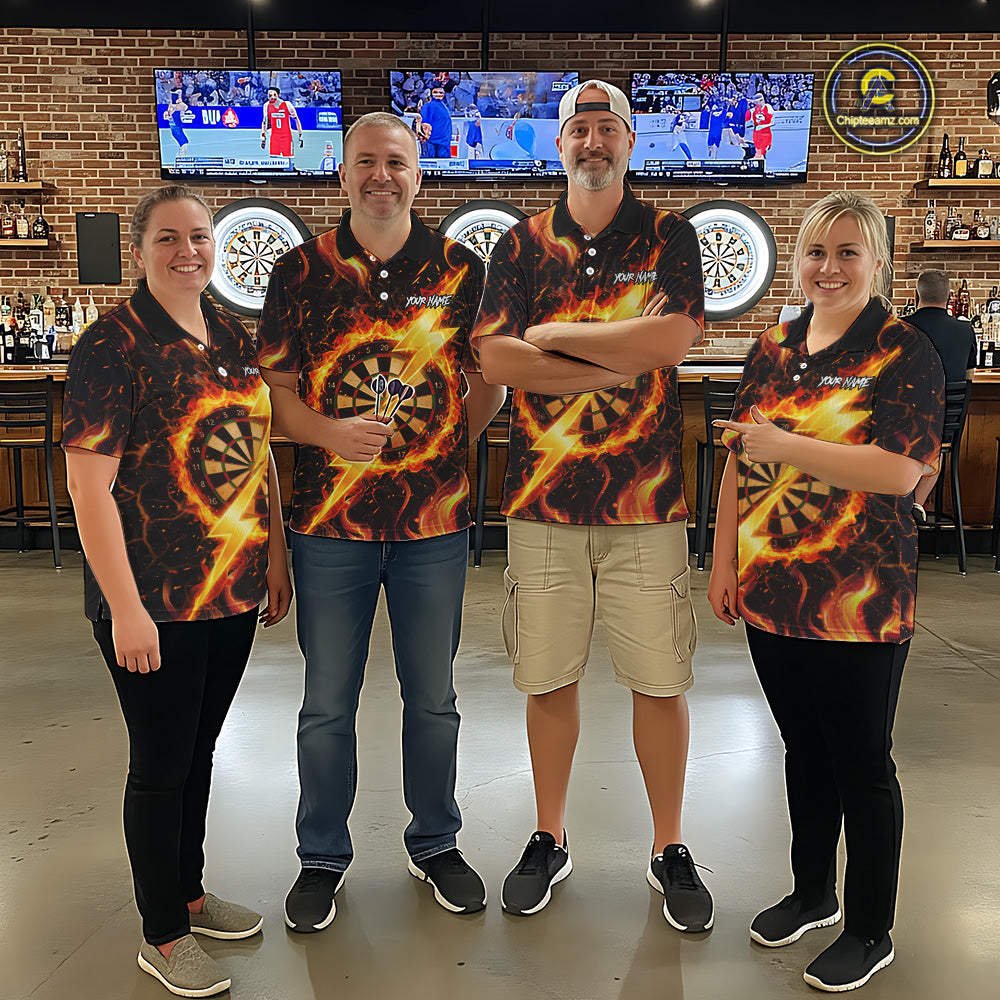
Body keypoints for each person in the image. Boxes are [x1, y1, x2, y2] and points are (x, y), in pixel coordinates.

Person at [473, 80, 713, 930]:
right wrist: (616, 359)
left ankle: (669, 845)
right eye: (580, 127)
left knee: (660, 680)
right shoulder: (521, 243)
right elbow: (496, 360)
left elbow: (672, 339)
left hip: (647, 503)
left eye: (608, 127)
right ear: (560, 144)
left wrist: (554, 336)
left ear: (630, 143)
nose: (593, 141)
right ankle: (549, 835)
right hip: (542, 501)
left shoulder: (669, 235)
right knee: (548, 678)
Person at [257, 111, 505, 932]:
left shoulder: (462, 270)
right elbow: (273, 398)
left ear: (418, 174)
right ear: (341, 174)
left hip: (434, 526)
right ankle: (321, 856)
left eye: (395, 162)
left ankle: (436, 842)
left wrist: (442, 446)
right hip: (328, 529)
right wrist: (329, 434)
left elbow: (489, 383)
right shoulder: (299, 271)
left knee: (432, 698)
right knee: (327, 702)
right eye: (365, 161)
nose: (380, 175)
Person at [708, 192, 944, 993]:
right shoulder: (772, 349)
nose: (830, 268)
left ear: (879, 262)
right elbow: (740, 459)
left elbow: (900, 470)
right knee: (802, 750)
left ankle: (869, 928)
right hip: (773, 589)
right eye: (817, 251)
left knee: (861, 763)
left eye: (848, 252)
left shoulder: (904, 351)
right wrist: (723, 560)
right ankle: (812, 893)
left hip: (860, 598)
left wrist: (788, 445)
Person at [62, 185, 292, 998]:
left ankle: (189, 893)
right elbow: (89, 488)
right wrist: (125, 608)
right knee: (160, 765)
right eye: (168, 238)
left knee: (200, 752)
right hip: (153, 600)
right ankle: (162, 933)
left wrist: (274, 554)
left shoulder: (229, 335)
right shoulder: (112, 344)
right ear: (139, 251)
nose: (187, 251)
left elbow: (256, 448)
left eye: (198, 237)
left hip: (230, 590)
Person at [905, 269, 977, 520]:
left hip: (904, 427)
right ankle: (917, 503)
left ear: (916, 295)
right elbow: (969, 377)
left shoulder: (901, 327)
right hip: (945, 428)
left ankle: (901, 504)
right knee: (935, 440)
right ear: (949, 297)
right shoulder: (965, 330)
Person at [261, 86, 303, 158]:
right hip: (274, 137)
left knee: (288, 157)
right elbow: (265, 121)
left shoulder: (287, 104)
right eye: (270, 95)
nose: (272, 97)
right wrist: (263, 137)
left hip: (286, 136)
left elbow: (295, 119)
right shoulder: (266, 105)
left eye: (274, 95)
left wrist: (300, 134)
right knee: (273, 158)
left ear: (279, 95)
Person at [417, 85, 453, 158]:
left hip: (431, 141)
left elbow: (423, 123)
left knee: (428, 162)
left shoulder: (427, 106)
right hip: (444, 141)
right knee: (444, 163)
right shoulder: (444, 107)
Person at [746, 92, 774, 164]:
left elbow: (771, 120)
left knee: (763, 149)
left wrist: (762, 125)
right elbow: (749, 119)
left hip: (765, 132)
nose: (755, 104)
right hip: (757, 132)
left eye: (756, 102)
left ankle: (762, 163)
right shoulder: (754, 110)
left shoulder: (768, 107)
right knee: (757, 149)